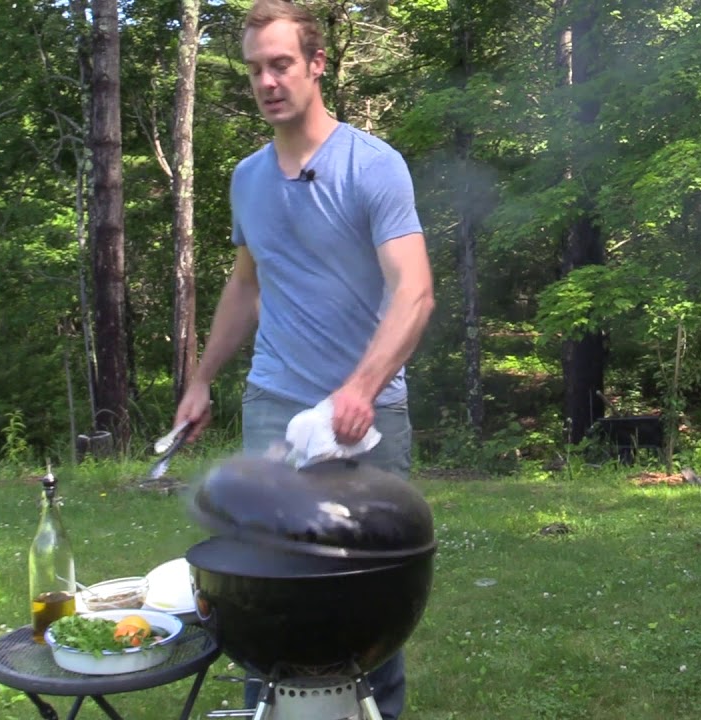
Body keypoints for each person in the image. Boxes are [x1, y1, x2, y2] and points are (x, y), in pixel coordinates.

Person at [171, 0, 434, 717]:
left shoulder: (372, 166)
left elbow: (414, 292)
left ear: (316, 65)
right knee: (264, 591)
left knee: (370, 592)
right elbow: (246, 284)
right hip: (274, 406)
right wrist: (201, 381)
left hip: (369, 417)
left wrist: (361, 388)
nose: (267, 81)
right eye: (255, 68)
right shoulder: (247, 178)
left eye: (281, 63)